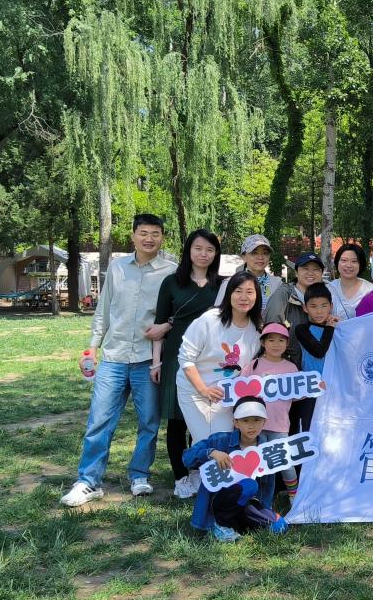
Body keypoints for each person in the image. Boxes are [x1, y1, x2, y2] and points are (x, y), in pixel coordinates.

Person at [62, 214, 176, 508]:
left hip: (147, 358)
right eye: (143, 233)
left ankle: (140, 475)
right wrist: (92, 347)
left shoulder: (171, 271)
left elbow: (179, 312)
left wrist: (166, 326)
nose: (149, 238)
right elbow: (104, 309)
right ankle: (88, 481)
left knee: (149, 422)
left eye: (155, 233)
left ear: (162, 237)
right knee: (99, 420)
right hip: (113, 357)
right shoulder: (117, 267)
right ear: (133, 235)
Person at [150, 229, 222, 500]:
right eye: (198, 248)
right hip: (176, 358)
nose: (204, 254)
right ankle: (180, 477)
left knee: (203, 419)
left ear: (216, 254)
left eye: (210, 250)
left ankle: (197, 471)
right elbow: (160, 325)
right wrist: (156, 363)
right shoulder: (171, 283)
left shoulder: (221, 285)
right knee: (177, 421)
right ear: (188, 251)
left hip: (209, 360)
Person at [182, 397, 287, 542]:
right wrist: (211, 453)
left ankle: (237, 524)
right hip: (220, 501)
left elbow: (268, 486)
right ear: (235, 422)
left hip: (248, 503)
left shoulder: (267, 449)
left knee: (279, 527)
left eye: (257, 420)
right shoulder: (220, 440)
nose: (251, 426)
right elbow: (187, 458)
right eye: (245, 420)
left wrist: (264, 510)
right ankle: (220, 524)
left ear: (264, 422)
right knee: (249, 485)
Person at [177, 271, 263, 444]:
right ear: (229, 293)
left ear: (257, 296)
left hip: (224, 395)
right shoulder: (210, 320)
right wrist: (203, 389)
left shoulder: (256, 330)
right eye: (238, 291)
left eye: (249, 292)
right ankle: (197, 462)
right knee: (204, 441)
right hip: (194, 389)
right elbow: (186, 358)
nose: (244, 297)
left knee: (223, 441)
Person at [242, 323, 300, 504]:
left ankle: (294, 497)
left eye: (281, 340)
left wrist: (314, 387)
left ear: (287, 343)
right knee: (254, 462)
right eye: (271, 340)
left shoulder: (291, 368)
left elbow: (297, 394)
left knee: (285, 462)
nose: (276, 344)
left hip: (279, 425)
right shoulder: (253, 366)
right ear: (263, 343)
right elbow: (240, 391)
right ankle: (252, 496)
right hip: (254, 426)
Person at [265, 251, 327, 361]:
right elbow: (272, 331)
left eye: (316, 269)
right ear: (296, 272)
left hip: (319, 363)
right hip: (290, 363)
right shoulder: (283, 294)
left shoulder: (328, 294)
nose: (310, 273)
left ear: (322, 273)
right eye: (305, 268)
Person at [291, 283, 335, 435]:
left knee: (332, 429)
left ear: (331, 306)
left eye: (324, 306)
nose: (319, 311)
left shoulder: (338, 328)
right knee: (309, 429)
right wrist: (330, 328)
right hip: (310, 388)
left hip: (333, 388)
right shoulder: (301, 329)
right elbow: (319, 351)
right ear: (305, 308)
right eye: (313, 306)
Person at [215, 234, 282, 315]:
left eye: (265, 253)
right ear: (243, 257)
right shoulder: (229, 283)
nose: (260, 257)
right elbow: (218, 314)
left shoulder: (277, 284)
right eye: (254, 253)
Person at [327, 243, 373, 321]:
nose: (349, 265)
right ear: (337, 262)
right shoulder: (328, 289)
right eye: (344, 260)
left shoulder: (370, 290)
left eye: (354, 261)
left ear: (360, 265)